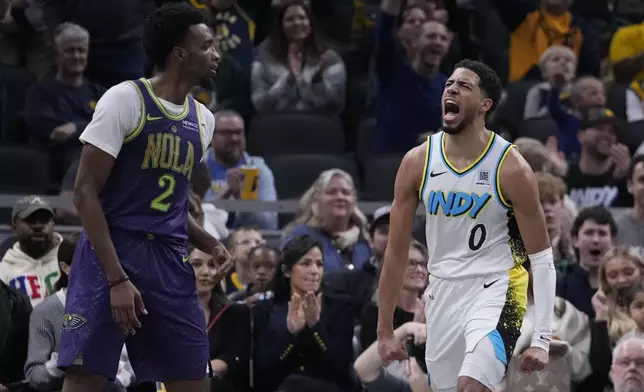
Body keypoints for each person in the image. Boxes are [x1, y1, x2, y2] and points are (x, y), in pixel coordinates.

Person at [56, 3, 233, 392]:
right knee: (85, 377)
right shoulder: (126, 99)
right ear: (179, 54)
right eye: (206, 45)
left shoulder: (203, 120)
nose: (216, 54)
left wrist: (210, 242)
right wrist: (116, 278)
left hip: (168, 259)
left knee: (192, 377)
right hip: (111, 252)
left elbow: (168, 207)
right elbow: (85, 193)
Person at [376, 59, 557, 392]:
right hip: (442, 292)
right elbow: (396, 251)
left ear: (485, 105)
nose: (452, 89)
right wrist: (384, 329)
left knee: (471, 385)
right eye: (449, 84)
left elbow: (542, 258)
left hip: (500, 289)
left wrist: (542, 338)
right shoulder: (418, 161)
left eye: (464, 85)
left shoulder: (511, 167)